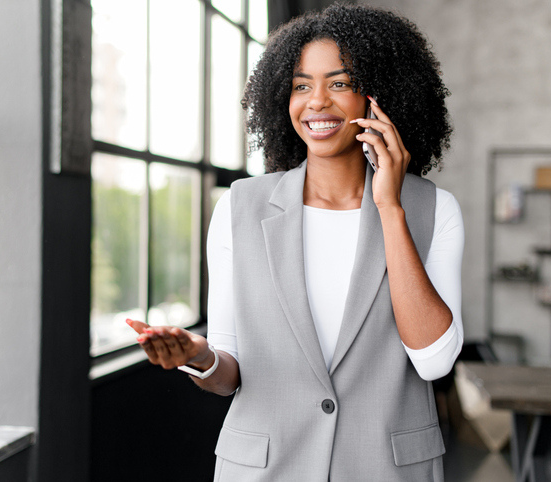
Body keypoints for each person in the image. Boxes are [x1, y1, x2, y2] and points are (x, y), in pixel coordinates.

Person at [127, 3, 463, 481]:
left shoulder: (433, 209)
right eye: (302, 85)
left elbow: (434, 362)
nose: (317, 102)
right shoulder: (240, 207)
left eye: (340, 83)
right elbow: (229, 373)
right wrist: (197, 357)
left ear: (379, 96)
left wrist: (390, 208)